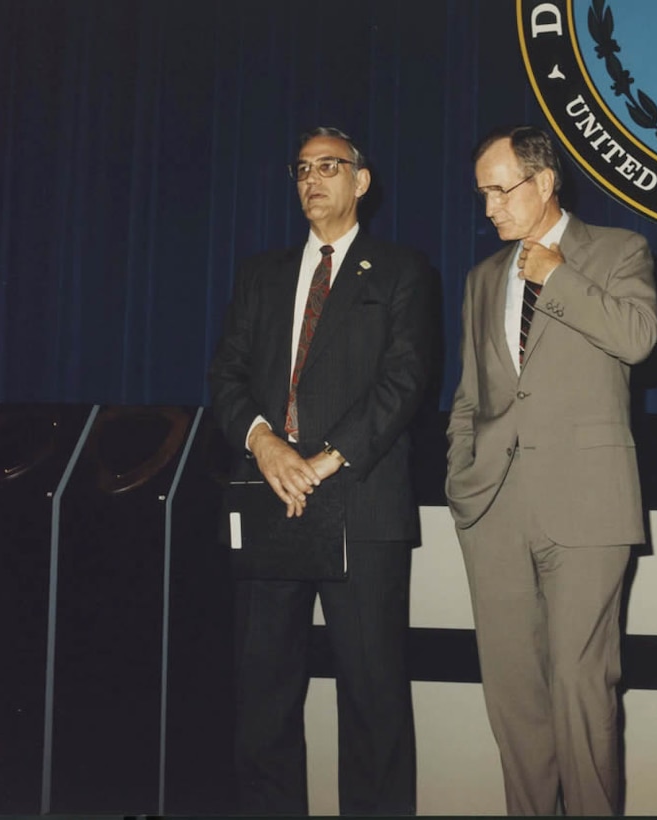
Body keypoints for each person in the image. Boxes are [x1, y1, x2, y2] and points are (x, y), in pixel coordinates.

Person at [208, 126, 434, 815]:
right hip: (271, 494)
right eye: (302, 169)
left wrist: (324, 459)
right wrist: (265, 444)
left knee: (372, 699)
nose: (312, 180)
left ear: (361, 181)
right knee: (262, 699)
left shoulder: (402, 271)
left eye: (329, 167)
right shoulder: (261, 274)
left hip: (359, 503)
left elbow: (404, 382)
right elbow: (227, 374)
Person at [445, 125, 657, 816]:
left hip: (589, 507)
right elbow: (471, 397)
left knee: (578, 685)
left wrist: (556, 276)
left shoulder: (620, 250)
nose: (489, 209)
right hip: (496, 509)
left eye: (500, 190)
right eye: (481, 194)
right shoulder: (482, 280)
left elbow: (637, 338)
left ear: (544, 181)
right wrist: (463, 481)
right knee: (514, 698)